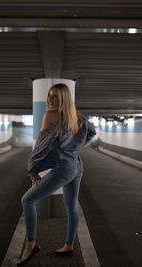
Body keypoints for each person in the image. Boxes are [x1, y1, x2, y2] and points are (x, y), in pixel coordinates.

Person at [17, 83, 96, 265]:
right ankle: (68, 246)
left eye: (56, 96)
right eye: (50, 96)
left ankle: (31, 244)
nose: (52, 99)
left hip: (64, 167)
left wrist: (33, 170)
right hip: (76, 164)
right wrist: (73, 148)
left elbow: (40, 147)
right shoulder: (77, 116)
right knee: (71, 207)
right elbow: (91, 132)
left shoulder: (50, 115)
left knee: (27, 200)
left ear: (64, 98)